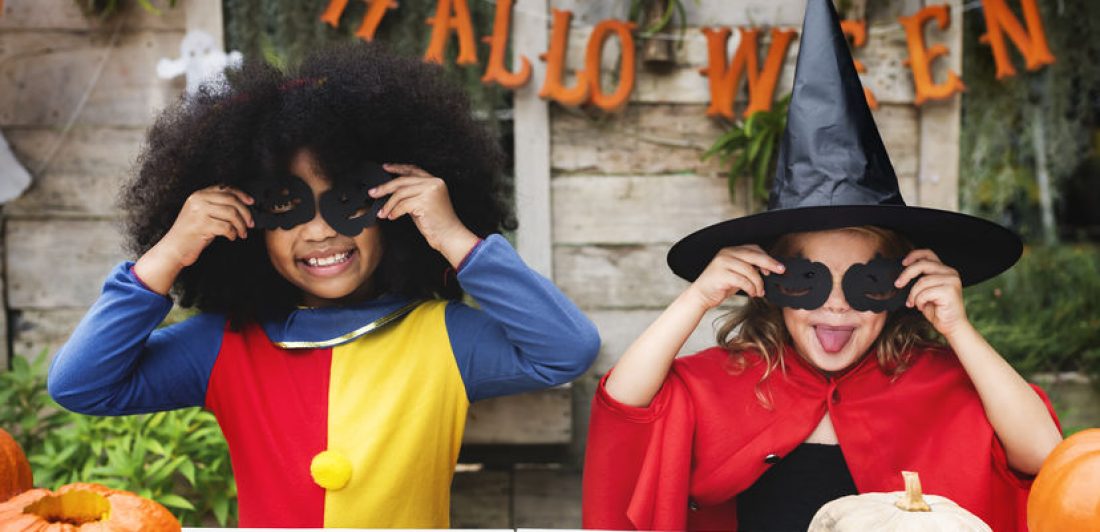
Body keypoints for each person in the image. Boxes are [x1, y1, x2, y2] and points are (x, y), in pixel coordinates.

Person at [48, 43, 600, 528]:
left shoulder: (444, 338)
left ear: (395, 207)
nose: (319, 230)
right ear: (244, 225)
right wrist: (170, 252)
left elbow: (566, 349)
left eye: (348, 199)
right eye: (286, 205)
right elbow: (81, 385)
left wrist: (455, 237)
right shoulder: (223, 346)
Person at [581, 1, 1061, 530]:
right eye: (807, 282)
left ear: (903, 287)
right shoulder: (729, 381)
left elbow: (1047, 458)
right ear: (768, 282)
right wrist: (695, 298)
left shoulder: (943, 385)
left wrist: (958, 329)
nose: (835, 303)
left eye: (866, 283)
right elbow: (623, 412)